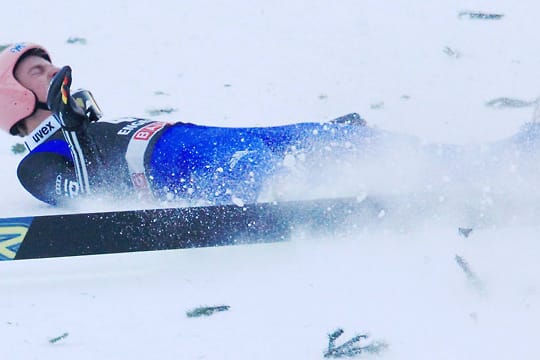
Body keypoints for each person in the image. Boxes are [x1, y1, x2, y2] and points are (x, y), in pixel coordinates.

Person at [0, 42, 374, 207]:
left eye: (48, 63)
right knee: (258, 167)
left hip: (196, 136)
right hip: (178, 167)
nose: (52, 70)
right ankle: (320, 196)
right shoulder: (35, 166)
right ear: (14, 97)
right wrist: (68, 125)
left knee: (328, 136)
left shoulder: (89, 122)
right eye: (37, 70)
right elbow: (84, 194)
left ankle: (419, 160)